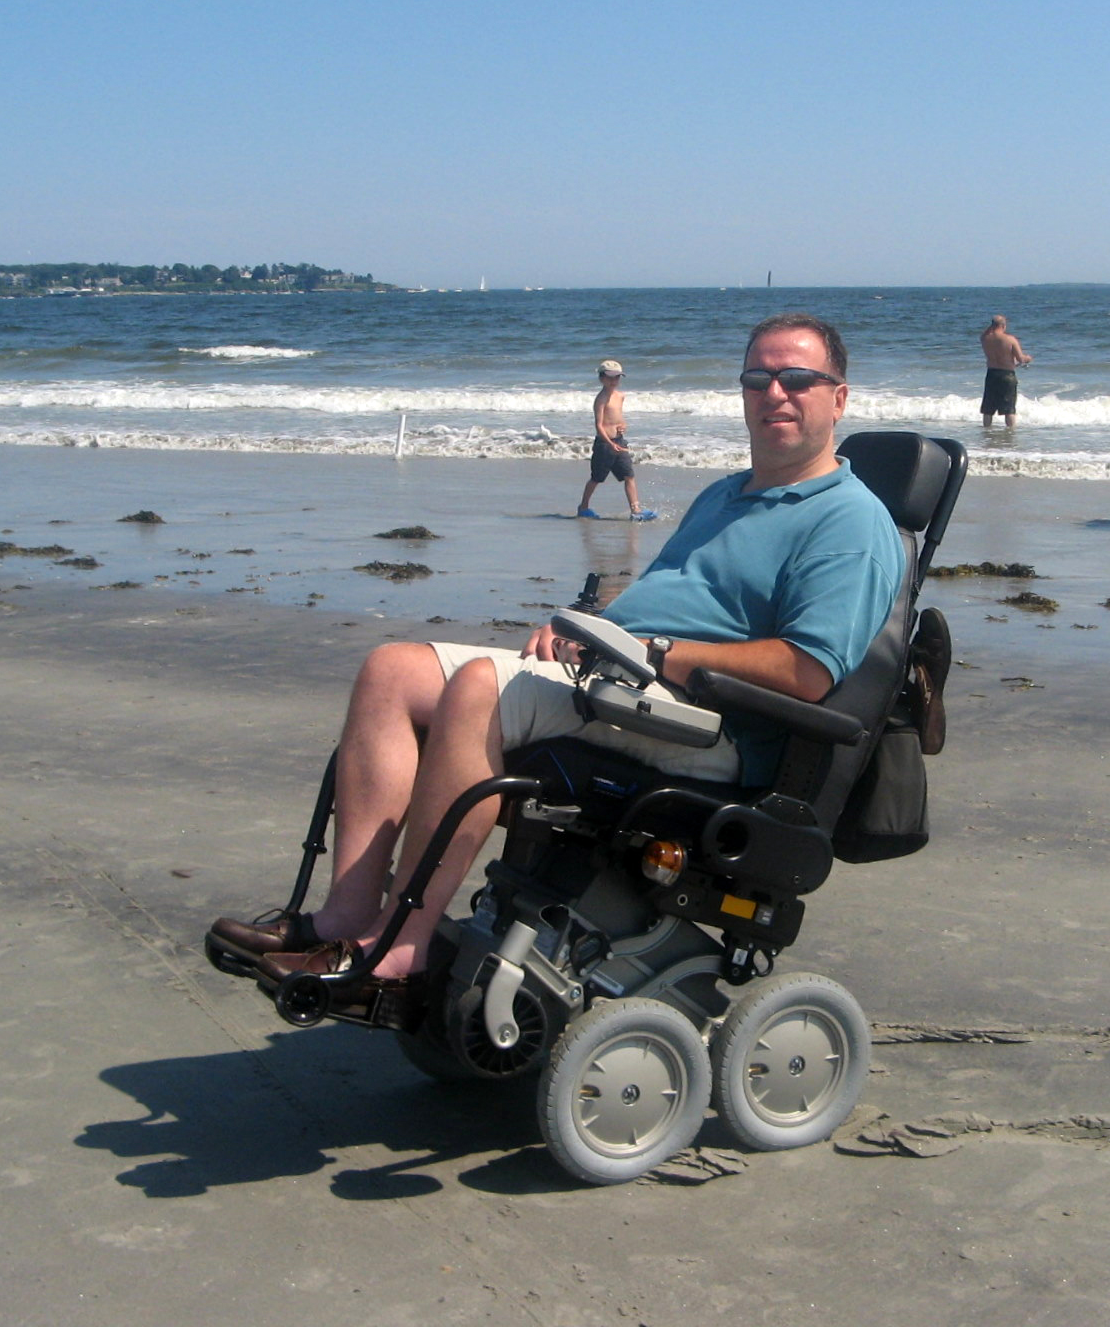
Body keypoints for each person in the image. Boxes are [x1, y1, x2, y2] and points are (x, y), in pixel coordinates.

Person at [209, 314, 906, 1009]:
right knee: (391, 670)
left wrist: (657, 653)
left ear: (837, 397)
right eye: (759, 378)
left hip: (706, 724)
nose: (775, 393)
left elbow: (807, 671)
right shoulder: (726, 494)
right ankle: (343, 919)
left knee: (480, 687)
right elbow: (669, 598)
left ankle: (405, 943)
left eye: (797, 379)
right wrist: (589, 629)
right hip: (620, 677)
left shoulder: (850, 520)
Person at [577, 359, 650, 519]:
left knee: (629, 475)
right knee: (596, 478)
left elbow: (619, 418)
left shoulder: (620, 396)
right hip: (604, 444)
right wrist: (609, 443)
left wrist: (623, 426)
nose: (613, 381)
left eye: (617, 378)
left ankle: (636, 510)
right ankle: (583, 507)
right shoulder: (601, 399)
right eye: (610, 378)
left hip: (619, 442)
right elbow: (599, 425)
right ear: (601, 378)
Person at [979, 316, 1032, 428]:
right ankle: (1010, 432)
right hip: (1007, 375)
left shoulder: (985, 338)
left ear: (992, 325)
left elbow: (984, 334)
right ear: (1003, 326)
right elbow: (1020, 359)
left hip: (992, 374)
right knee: (1009, 409)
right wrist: (1028, 358)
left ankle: (987, 432)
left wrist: (992, 326)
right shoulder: (1010, 339)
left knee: (988, 409)